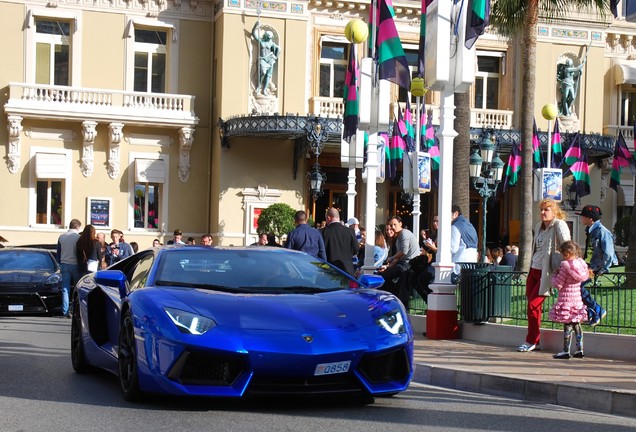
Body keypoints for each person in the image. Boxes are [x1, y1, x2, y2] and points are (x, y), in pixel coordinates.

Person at [518, 198, 570, 353]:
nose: (542, 212)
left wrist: (566, 269)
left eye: (546, 209)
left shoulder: (559, 225)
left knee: (533, 305)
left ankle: (531, 340)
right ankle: (536, 341)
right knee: (533, 307)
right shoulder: (538, 226)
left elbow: (567, 246)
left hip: (547, 272)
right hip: (534, 269)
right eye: (541, 209)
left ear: (554, 212)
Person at [549, 241, 590, 359]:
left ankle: (566, 350)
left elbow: (558, 284)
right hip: (577, 299)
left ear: (566, 253)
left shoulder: (565, 266)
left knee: (567, 325)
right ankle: (579, 349)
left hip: (566, 299)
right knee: (577, 324)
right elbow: (584, 277)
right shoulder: (581, 264)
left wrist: (553, 276)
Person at [578, 205, 614, 326]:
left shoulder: (602, 231)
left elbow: (608, 252)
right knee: (576, 287)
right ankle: (592, 312)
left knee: (577, 287)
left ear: (590, 218)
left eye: (583, 216)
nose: (581, 219)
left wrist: (603, 268)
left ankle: (597, 309)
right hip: (588, 265)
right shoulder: (591, 230)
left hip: (595, 267)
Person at [379, 216, 420, 305]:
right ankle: (393, 297)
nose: (393, 227)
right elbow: (398, 257)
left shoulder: (404, 233)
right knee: (383, 276)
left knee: (384, 277)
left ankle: (392, 297)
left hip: (408, 264)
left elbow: (403, 252)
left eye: (394, 224)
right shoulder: (399, 236)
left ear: (400, 224)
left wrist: (391, 258)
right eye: (391, 225)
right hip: (403, 263)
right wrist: (387, 266)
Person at [322, 208, 359, 275]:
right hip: (347, 270)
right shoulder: (350, 231)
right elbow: (356, 249)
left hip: (329, 270)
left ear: (328, 217)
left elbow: (321, 251)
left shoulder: (323, 232)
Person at [57, 219, 82, 317]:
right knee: (78, 288)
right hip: (75, 264)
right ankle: (78, 310)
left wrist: (60, 262)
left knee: (65, 289)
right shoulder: (78, 237)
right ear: (77, 227)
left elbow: (58, 251)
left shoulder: (61, 237)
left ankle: (65, 311)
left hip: (64, 263)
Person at [450, 205, 478, 283]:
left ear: (455, 214)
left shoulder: (455, 226)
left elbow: (453, 248)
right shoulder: (470, 225)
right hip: (471, 266)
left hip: (458, 268)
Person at [251, 21, 280, 96]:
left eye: (270, 37)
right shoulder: (261, 41)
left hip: (270, 59)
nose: (270, 38)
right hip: (262, 59)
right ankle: (258, 87)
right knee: (263, 72)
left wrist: (276, 55)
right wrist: (255, 25)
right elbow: (253, 33)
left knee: (268, 74)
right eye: (269, 37)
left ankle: (264, 89)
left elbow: (277, 49)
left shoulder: (271, 43)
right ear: (266, 36)